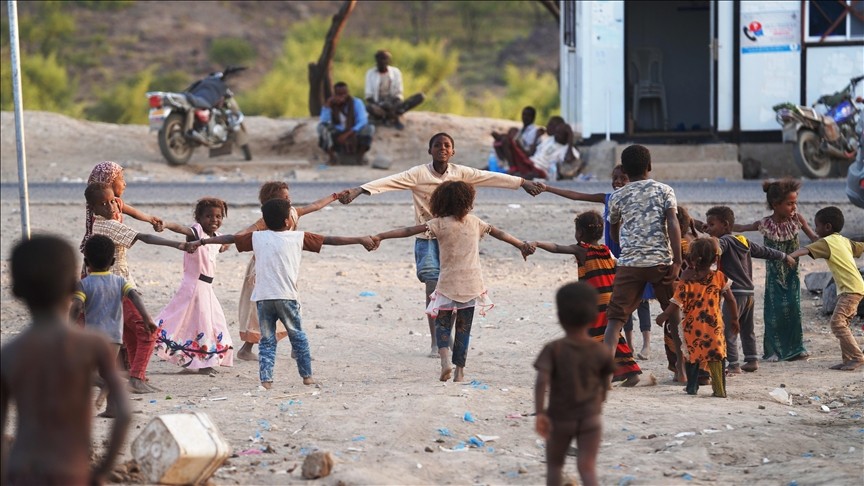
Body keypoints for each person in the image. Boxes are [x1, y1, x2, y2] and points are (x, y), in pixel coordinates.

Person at [338, 132, 543, 357]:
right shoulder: (418, 174)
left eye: (447, 146)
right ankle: (437, 341)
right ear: (430, 150)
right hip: (426, 237)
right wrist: (358, 190)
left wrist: (522, 183)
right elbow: (390, 181)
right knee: (432, 284)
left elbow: (489, 177)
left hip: (453, 239)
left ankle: (446, 337)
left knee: (452, 288)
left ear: (453, 151)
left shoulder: (461, 173)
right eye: (437, 145)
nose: (442, 149)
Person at [191, 198, 376, 389]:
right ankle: (307, 376)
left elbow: (228, 238)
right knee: (298, 337)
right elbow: (332, 240)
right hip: (287, 297)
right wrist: (360, 239)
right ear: (288, 221)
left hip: (263, 298)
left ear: (265, 220)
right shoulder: (298, 237)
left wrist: (202, 241)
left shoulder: (257, 237)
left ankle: (266, 380)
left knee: (267, 340)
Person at [371, 181, 533, 382]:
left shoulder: (438, 224)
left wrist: (380, 236)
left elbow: (407, 231)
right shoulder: (475, 222)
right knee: (464, 328)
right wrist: (521, 245)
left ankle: (445, 360)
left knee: (443, 324)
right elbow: (499, 233)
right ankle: (460, 372)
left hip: (447, 283)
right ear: (468, 201)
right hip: (471, 284)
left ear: (440, 202)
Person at [1, 236, 130, 485]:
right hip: (70, 471)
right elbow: (124, 414)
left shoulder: (9, 354)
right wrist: (102, 471)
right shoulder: (92, 345)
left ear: (16, 291)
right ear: (73, 285)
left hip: (20, 471)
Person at [84, 181, 192, 393]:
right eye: (103, 204)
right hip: (118, 287)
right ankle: (136, 378)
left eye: (113, 202)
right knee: (147, 331)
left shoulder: (99, 224)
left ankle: (136, 375)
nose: (110, 207)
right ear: (93, 208)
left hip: (109, 289)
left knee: (132, 335)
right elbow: (143, 237)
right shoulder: (109, 225)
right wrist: (178, 244)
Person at [539, 164, 653, 360]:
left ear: (631, 179)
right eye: (614, 177)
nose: (617, 182)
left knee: (640, 299)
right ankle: (629, 344)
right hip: (612, 252)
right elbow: (576, 195)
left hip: (632, 253)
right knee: (617, 299)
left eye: (622, 178)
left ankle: (647, 343)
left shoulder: (638, 198)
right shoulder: (608, 198)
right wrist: (548, 188)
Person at [528, 210, 642, 386]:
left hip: (595, 303)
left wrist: (536, 243)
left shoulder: (582, 250)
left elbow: (557, 248)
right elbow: (619, 267)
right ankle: (630, 372)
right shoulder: (606, 250)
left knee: (593, 337)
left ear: (580, 233)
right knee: (612, 336)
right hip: (612, 299)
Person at [234, 182, 346, 361]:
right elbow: (245, 232)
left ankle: (295, 349)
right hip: (262, 272)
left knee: (292, 306)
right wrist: (228, 240)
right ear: (272, 201)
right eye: (284, 198)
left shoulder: (292, 213)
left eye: (289, 197)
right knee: (261, 312)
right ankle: (246, 349)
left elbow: (315, 206)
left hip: (283, 269)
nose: (289, 200)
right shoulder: (265, 221)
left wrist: (335, 196)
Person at [603, 145, 685, 382]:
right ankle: (680, 370)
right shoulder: (665, 190)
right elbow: (673, 223)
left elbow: (614, 231)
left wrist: (628, 245)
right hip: (662, 263)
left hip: (630, 265)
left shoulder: (618, 196)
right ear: (649, 166)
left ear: (625, 171)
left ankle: (605, 376)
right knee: (673, 316)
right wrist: (678, 260)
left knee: (615, 320)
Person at [534, 282, 614, 486]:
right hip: (591, 418)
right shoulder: (600, 350)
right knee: (587, 467)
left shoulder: (554, 349)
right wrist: (601, 399)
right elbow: (606, 381)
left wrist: (540, 413)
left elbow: (542, 380)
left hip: (560, 418)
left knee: (554, 465)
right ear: (594, 317)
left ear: (560, 317)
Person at [69, 234, 156, 415]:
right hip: (115, 338)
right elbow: (134, 296)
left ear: (86, 261)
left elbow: (76, 306)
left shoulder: (84, 284)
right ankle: (112, 408)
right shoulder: (120, 281)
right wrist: (146, 318)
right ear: (113, 260)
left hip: (93, 338)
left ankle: (103, 385)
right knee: (107, 369)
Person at [703, 205, 794, 374]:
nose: (708, 228)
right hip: (749, 292)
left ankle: (733, 364)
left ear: (725, 224)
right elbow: (764, 251)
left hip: (734, 293)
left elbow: (715, 248)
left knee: (728, 328)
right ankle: (752, 360)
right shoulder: (742, 240)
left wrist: (707, 237)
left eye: (711, 224)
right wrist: (783, 256)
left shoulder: (725, 241)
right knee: (747, 328)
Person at [734, 179, 818, 362]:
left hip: (792, 274)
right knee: (773, 311)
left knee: (794, 308)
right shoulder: (765, 224)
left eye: (795, 203)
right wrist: (721, 227)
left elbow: (814, 238)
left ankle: (796, 348)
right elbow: (741, 228)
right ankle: (773, 350)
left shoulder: (797, 220)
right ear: (775, 204)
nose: (793, 207)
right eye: (789, 203)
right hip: (773, 276)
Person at [154, 197, 235, 375]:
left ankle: (194, 360)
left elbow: (222, 246)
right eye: (209, 216)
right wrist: (166, 224)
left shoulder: (215, 238)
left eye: (218, 216)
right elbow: (179, 228)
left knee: (207, 323)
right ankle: (204, 364)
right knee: (201, 322)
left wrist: (225, 245)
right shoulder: (196, 233)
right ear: (198, 218)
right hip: (194, 287)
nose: (214, 220)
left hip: (207, 289)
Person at [656, 238, 740, 397]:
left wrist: (664, 315)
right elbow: (731, 300)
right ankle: (720, 389)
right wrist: (735, 319)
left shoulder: (687, 278)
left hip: (692, 327)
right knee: (717, 355)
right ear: (715, 259)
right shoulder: (719, 277)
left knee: (692, 356)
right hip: (714, 327)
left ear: (692, 258)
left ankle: (692, 387)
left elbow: (677, 300)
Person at [788, 206, 864, 371]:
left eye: (817, 225)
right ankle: (848, 359)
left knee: (837, 323)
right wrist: (803, 224)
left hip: (850, 289)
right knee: (842, 323)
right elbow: (859, 247)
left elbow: (807, 249)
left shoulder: (828, 242)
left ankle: (857, 357)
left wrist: (790, 256)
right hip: (854, 286)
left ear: (827, 227)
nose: (816, 229)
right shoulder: (842, 240)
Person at [364, 49, 425, 130]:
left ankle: (387, 117)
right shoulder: (370, 73)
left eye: (385, 59)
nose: (382, 61)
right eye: (380, 59)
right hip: (378, 104)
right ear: (376, 60)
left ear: (389, 61)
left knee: (420, 96)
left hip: (394, 103)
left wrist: (392, 105)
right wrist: (379, 104)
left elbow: (398, 93)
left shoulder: (396, 72)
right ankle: (394, 117)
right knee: (368, 107)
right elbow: (369, 96)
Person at [318, 81, 375, 163]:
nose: (342, 97)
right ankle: (332, 158)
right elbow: (324, 121)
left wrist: (347, 134)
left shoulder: (356, 102)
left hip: (353, 131)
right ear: (335, 94)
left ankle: (360, 157)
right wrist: (327, 105)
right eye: (339, 94)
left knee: (369, 128)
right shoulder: (331, 104)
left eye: (344, 94)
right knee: (321, 128)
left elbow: (363, 121)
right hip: (337, 131)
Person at [507, 122, 581, 181]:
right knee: (508, 142)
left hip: (541, 169)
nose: (556, 135)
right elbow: (535, 152)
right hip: (531, 162)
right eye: (556, 133)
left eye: (559, 134)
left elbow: (569, 159)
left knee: (527, 174)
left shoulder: (567, 149)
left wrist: (570, 141)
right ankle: (515, 173)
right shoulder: (551, 139)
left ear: (566, 137)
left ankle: (517, 176)